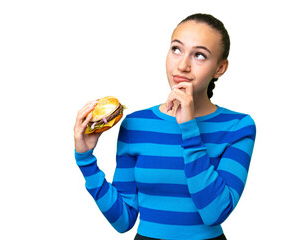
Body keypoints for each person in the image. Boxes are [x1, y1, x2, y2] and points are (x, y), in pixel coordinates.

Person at [74, 13, 256, 240]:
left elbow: (214, 212)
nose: (183, 65)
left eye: (199, 55)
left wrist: (189, 128)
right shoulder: (136, 125)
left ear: (220, 68)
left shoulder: (238, 126)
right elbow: (124, 220)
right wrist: (85, 160)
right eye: (176, 49)